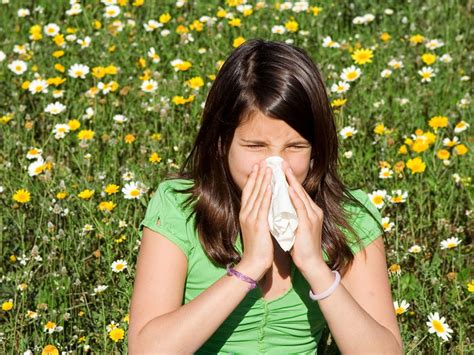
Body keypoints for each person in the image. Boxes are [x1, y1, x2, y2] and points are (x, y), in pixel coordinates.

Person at [128, 38, 403, 354]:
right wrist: (249, 266)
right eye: (255, 147)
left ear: (316, 149)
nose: (276, 165)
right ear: (221, 143)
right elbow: (146, 350)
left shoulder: (351, 218)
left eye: (295, 147)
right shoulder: (179, 207)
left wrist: (315, 266)